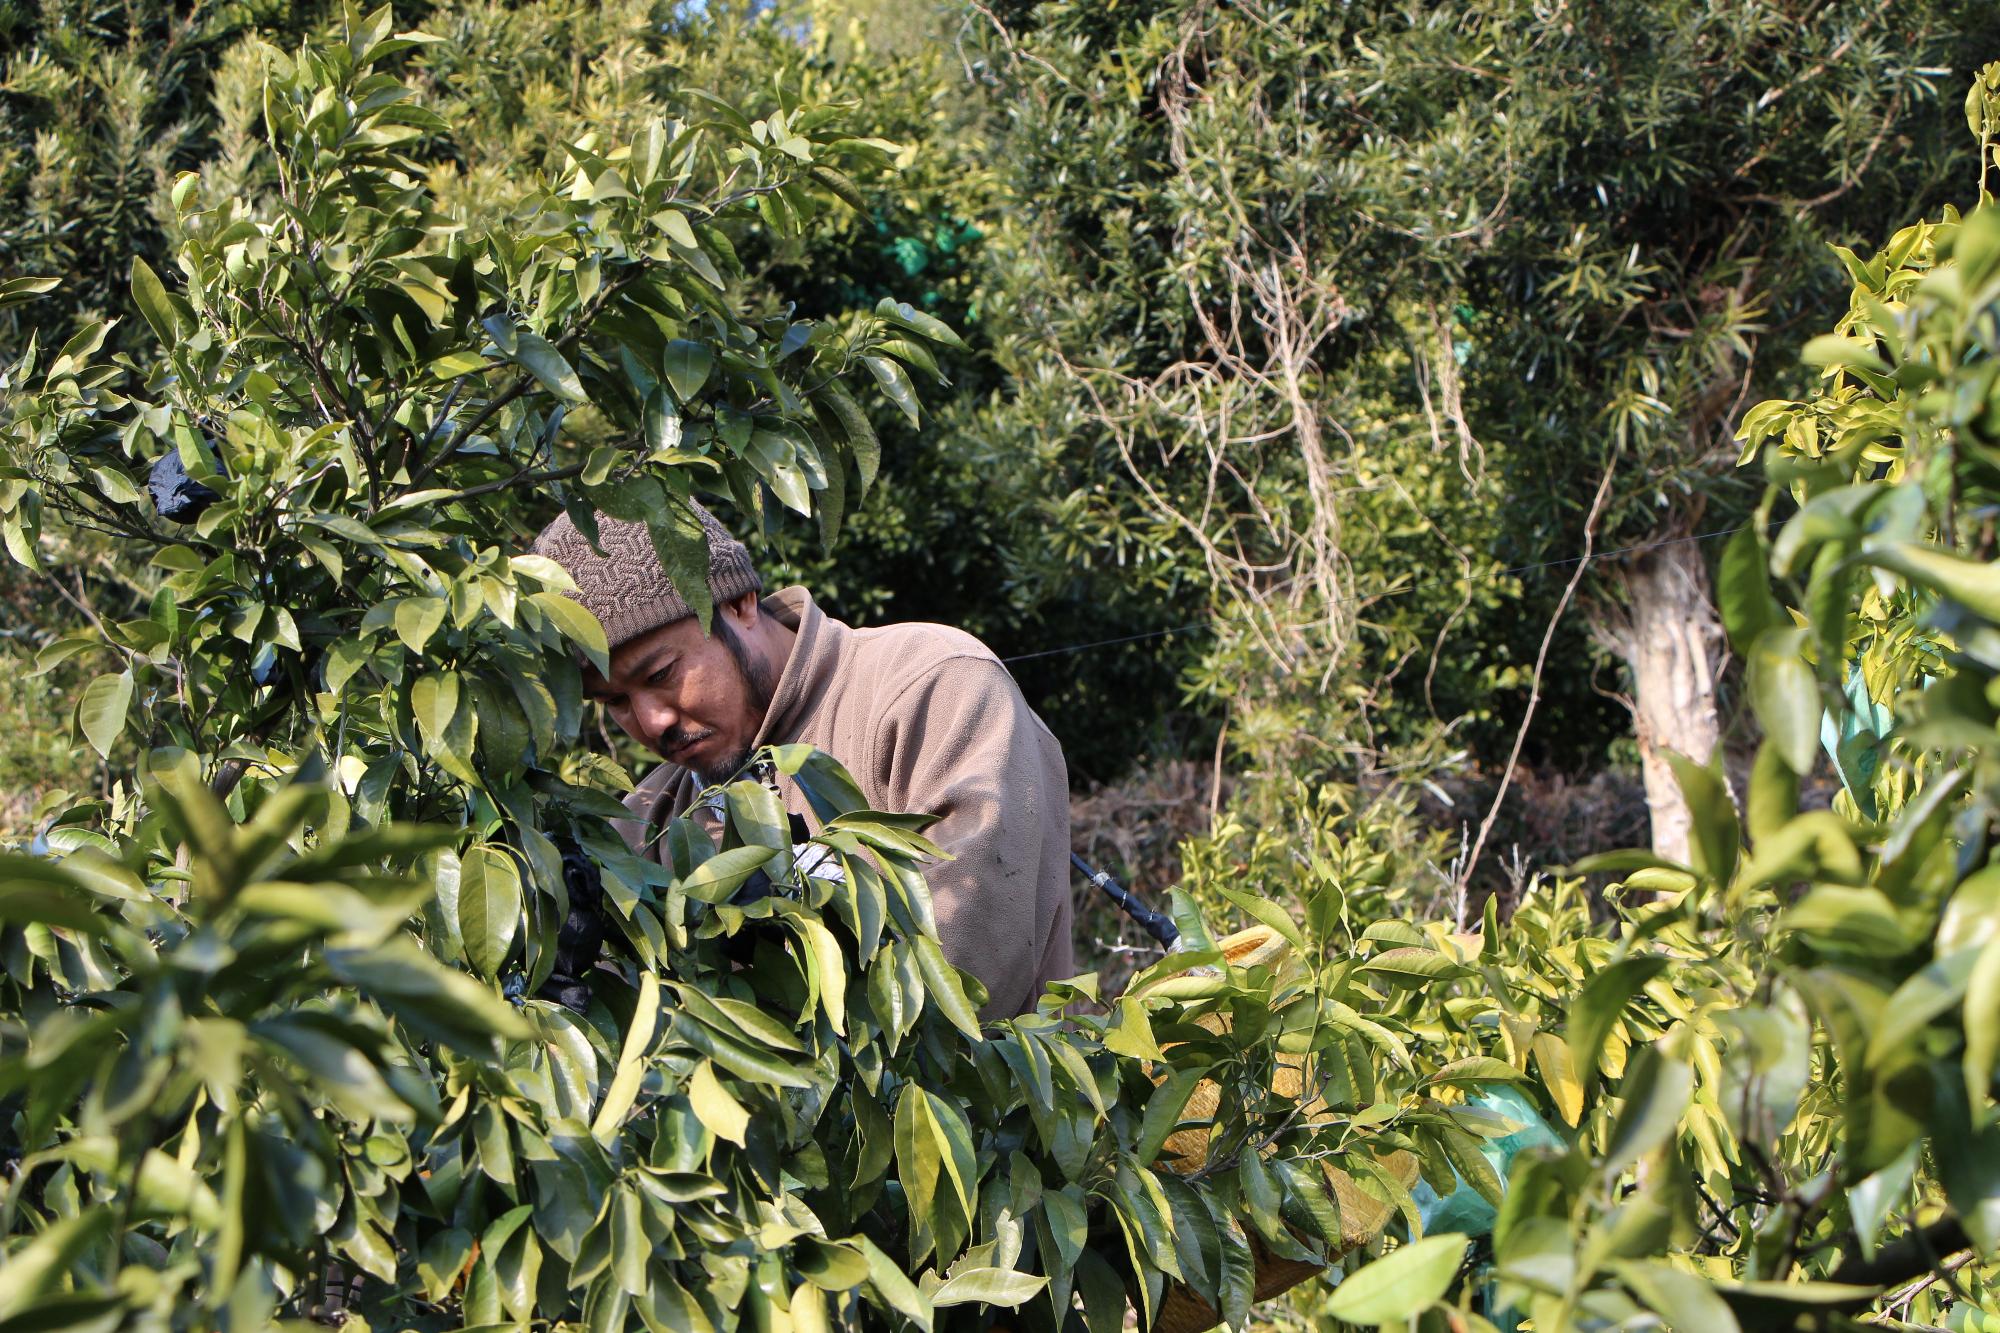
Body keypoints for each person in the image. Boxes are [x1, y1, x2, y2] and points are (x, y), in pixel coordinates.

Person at [532, 502, 1076, 1019]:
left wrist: (796, 923)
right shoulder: (651, 817)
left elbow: (965, 975)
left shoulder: (927, 686)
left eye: (660, 675)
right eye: (616, 702)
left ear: (739, 604)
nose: (651, 722)